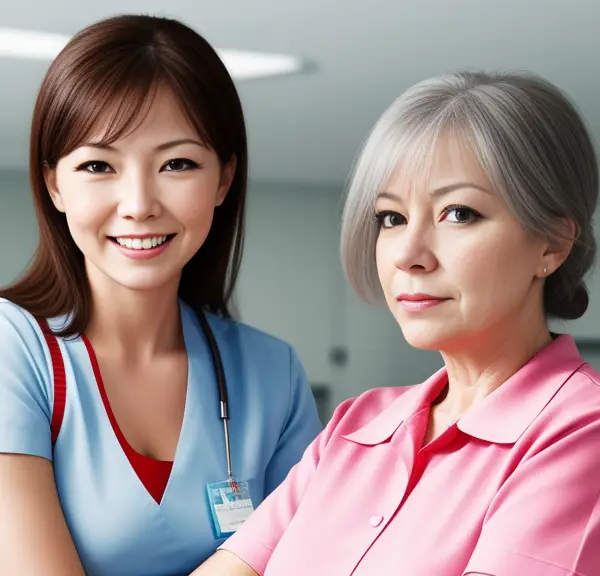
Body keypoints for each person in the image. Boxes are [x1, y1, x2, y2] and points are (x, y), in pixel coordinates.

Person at [196, 71, 600, 575]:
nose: (409, 254)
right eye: (391, 218)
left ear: (552, 245)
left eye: (458, 213)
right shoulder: (357, 426)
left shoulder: (581, 433)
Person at [0, 14, 322, 576]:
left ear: (223, 179)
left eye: (177, 163)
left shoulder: (274, 373)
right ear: (54, 183)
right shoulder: (13, 350)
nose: (139, 203)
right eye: (99, 165)